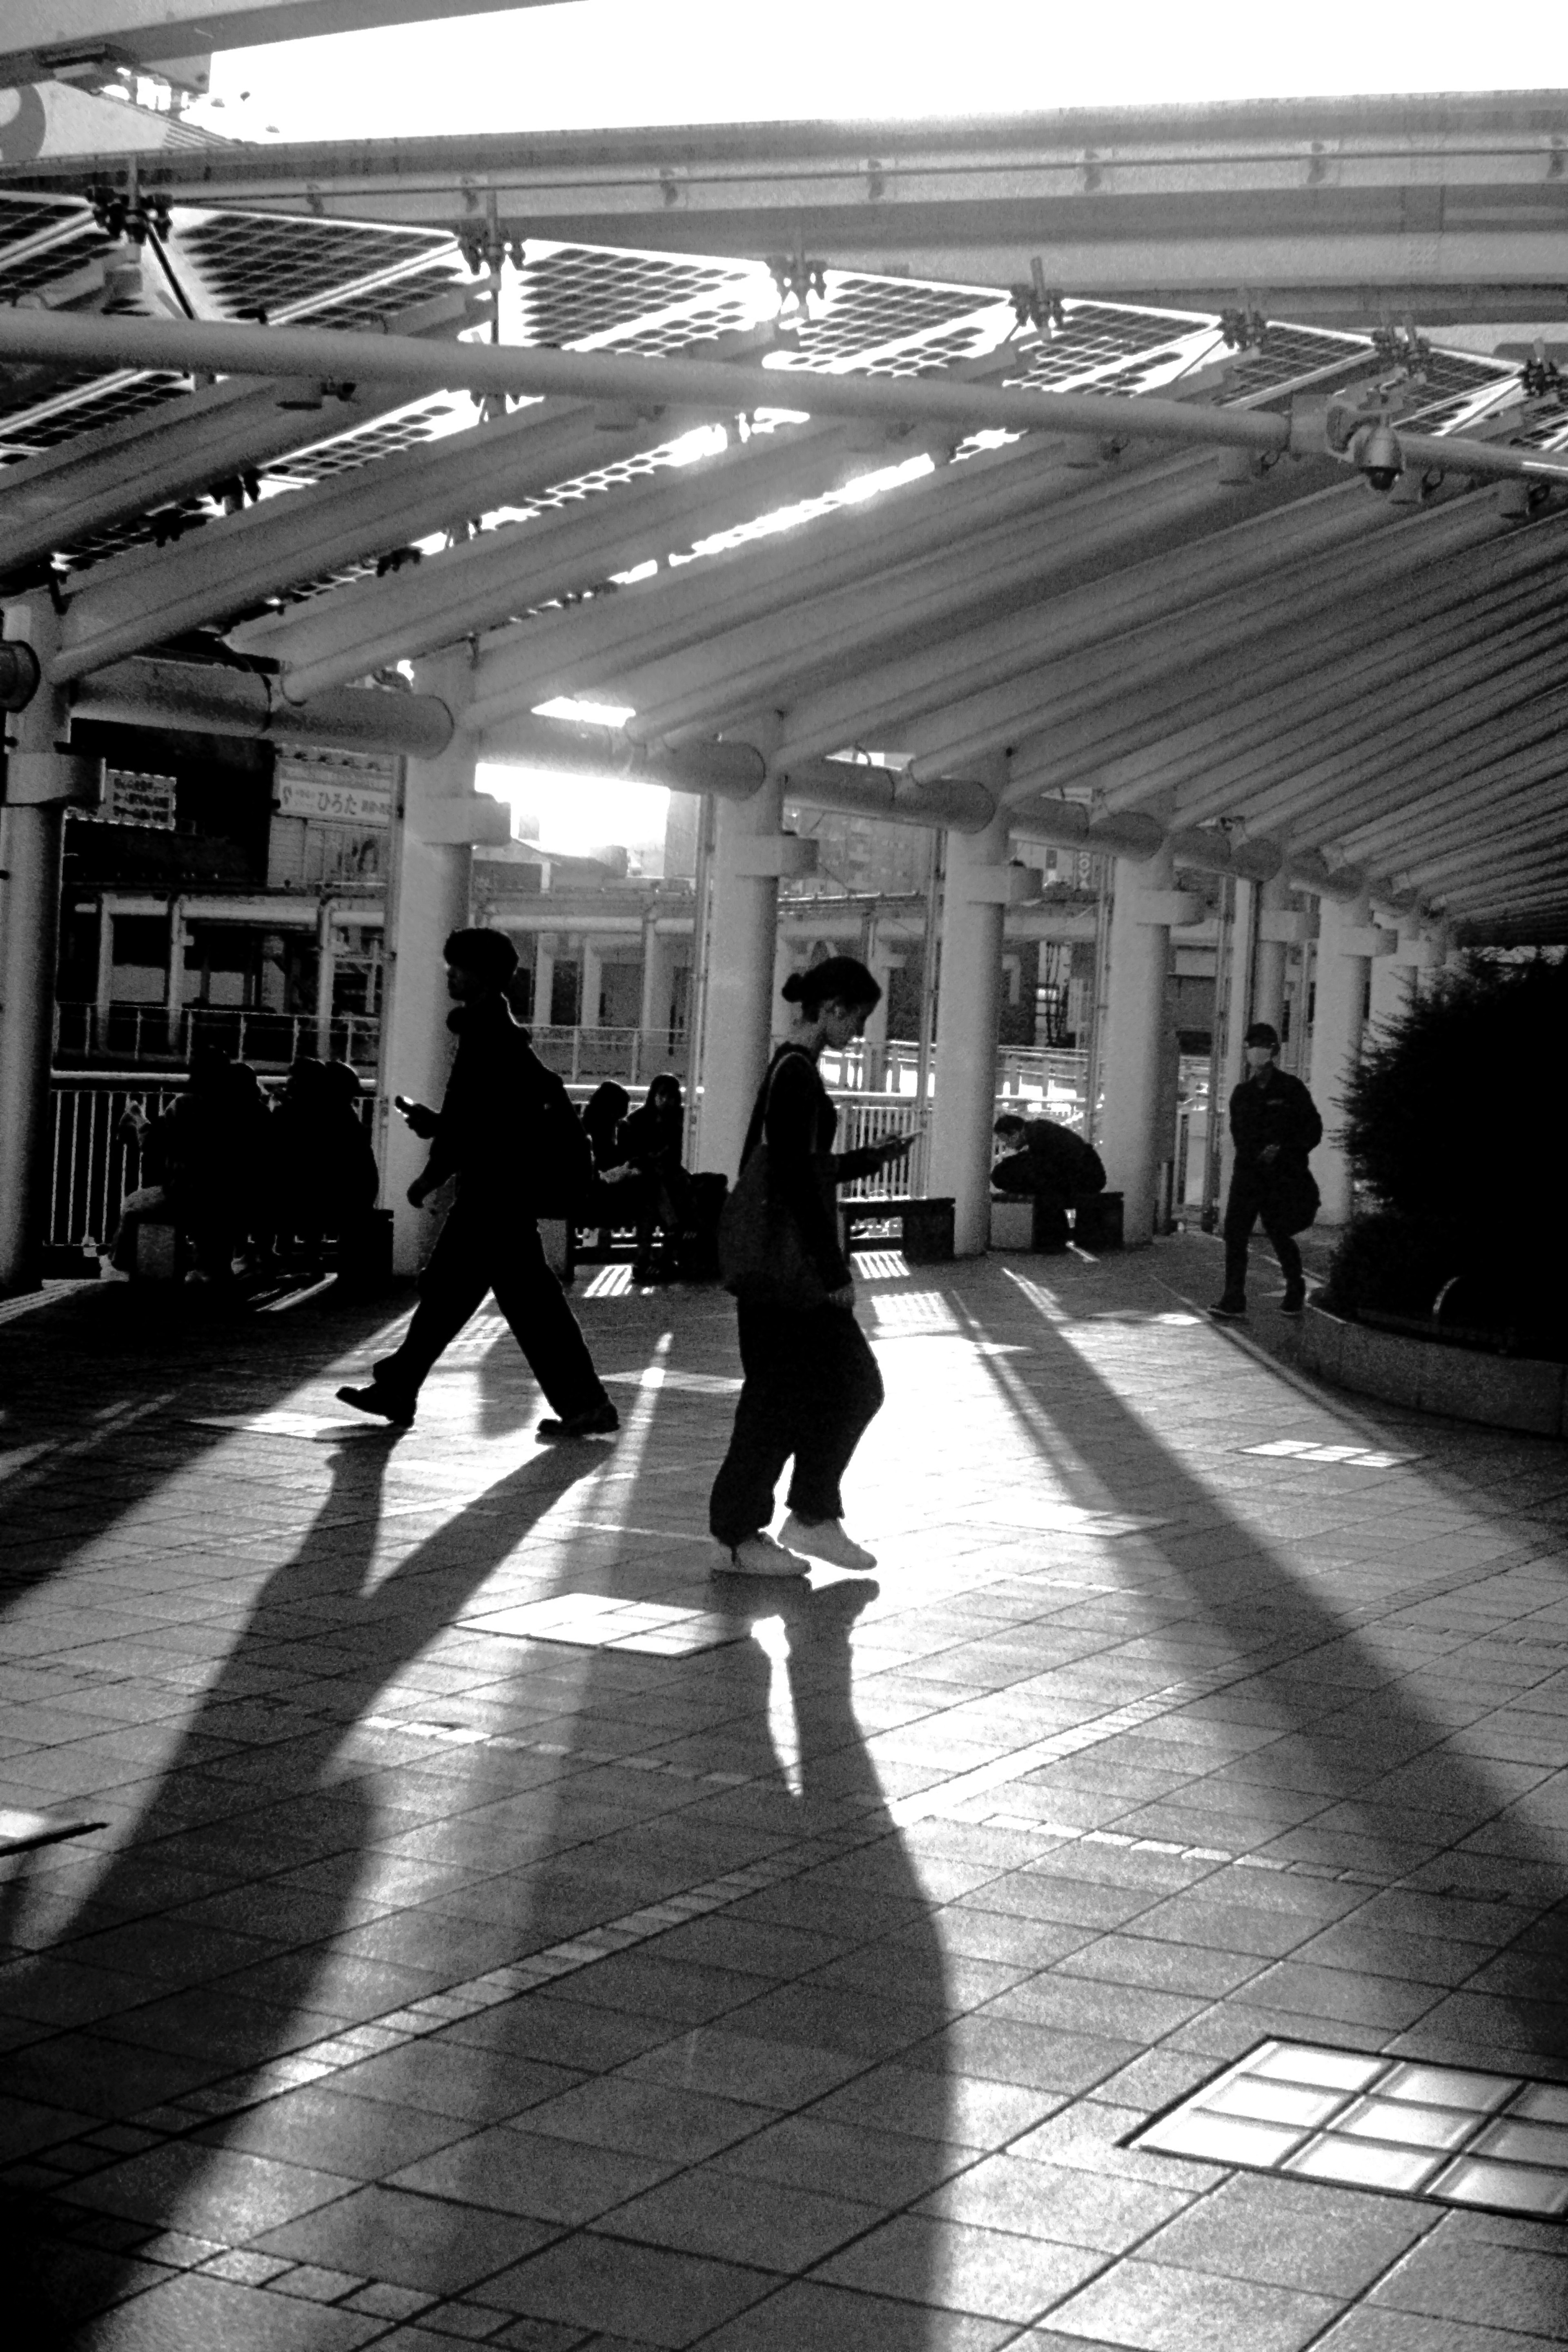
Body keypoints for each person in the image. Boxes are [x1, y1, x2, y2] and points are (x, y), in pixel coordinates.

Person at [336, 927, 617, 1438]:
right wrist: (440, 1139)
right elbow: (482, 1118)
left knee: (491, 1298)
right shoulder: (496, 1034)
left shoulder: (488, 1037)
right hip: (500, 1191)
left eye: (458, 967)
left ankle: (583, 1402)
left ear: (483, 974)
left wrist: (432, 1166)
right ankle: (405, 1383)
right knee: (483, 1296)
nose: (450, 974)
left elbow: (479, 1120)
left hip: (495, 1194)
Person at [709, 956, 914, 1577]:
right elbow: (795, 1183)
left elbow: (794, 1167)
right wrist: (834, 1275)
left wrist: (863, 1161)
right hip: (790, 1275)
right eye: (857, 1018)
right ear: (832, 1009)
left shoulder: (790, 1068)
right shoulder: (797, 1074)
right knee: (828, 1390)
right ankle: (763, 1529)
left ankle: (787, 1521)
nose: (859, 1030)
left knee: (794, 1395)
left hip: (779, 1272)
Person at [1211, 1021, 1323, 1319]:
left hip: (1282, 1176)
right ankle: (1233, 1297)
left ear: (1274, 1049)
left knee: (1278, 1232)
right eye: (1251, 1045)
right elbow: (1239, 1134)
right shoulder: (1243, 1093)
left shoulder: (1291, 1089)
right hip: (1248, 1174)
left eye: (1262, 1044)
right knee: (1236, 1235)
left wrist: (1284, 1150)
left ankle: (1295, 1288)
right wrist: (1258, 1154)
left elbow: (1312, 1129)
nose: (1256, 1051)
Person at [991, 1111, 1106, 1251]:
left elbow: (1046, 1171)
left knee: (1009, 1176)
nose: (1007, 1145)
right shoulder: (1039, 1132)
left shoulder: (1039, 1138)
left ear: (1015, 1133)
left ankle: (1051, 1240)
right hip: (1089, 1175)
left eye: (1006, 1140)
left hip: (1085, 1178)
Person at [617, 1071, 690, 1282]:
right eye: (663, 1096)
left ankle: (644, 1257)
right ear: (654, 1096)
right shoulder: (639, 1121)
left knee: (652, 1199)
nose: (667, 1101)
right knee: (655, 1186)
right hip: (645, 1178)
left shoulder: (671, 1122)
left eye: (671, 1097)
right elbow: (633, 1157)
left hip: (658, 1182)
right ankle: (670, 1240)